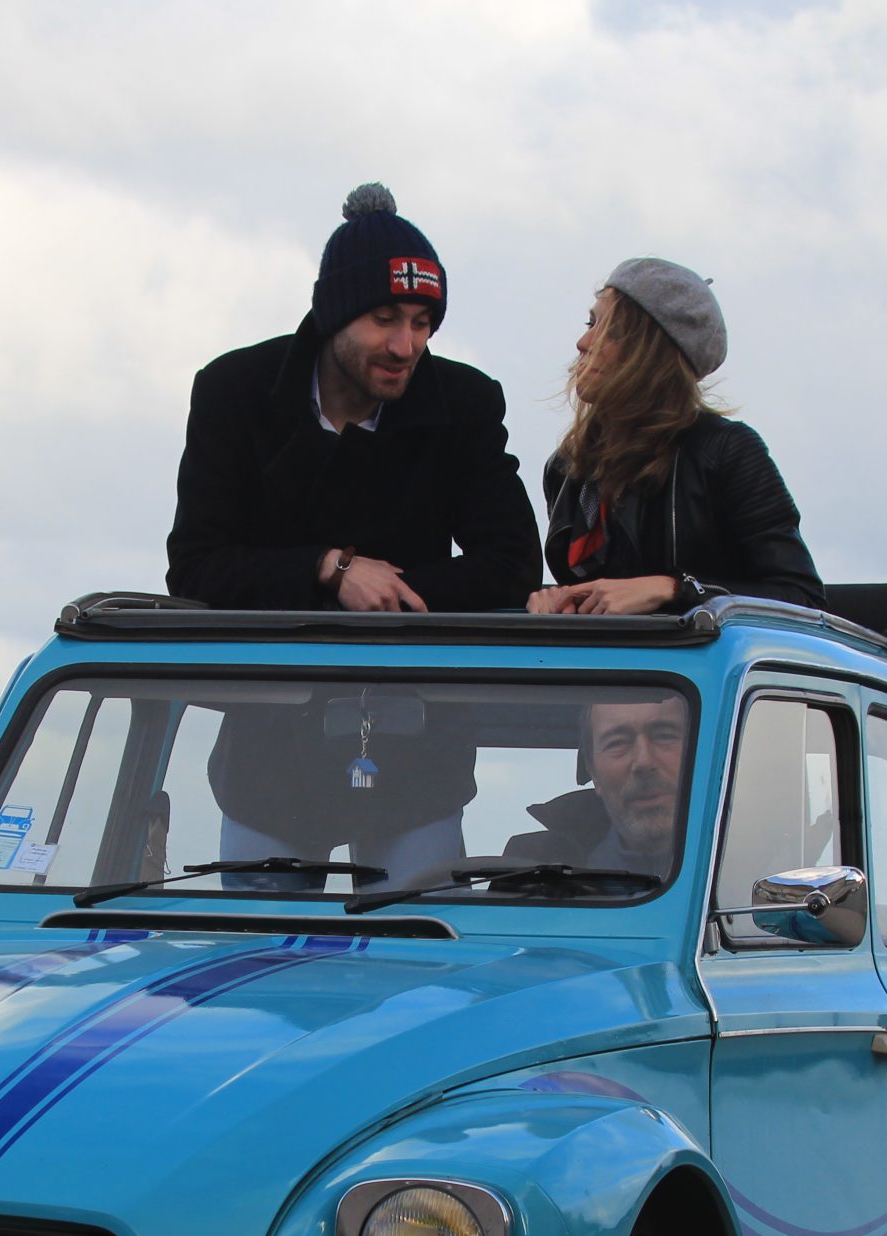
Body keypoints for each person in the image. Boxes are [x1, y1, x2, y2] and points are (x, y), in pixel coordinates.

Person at [166, 184, 540, 886]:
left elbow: (515, 563)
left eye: (424, 322)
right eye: (385, 318)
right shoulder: (233, 391)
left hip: (418, 752)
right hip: (267, 756)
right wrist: (330, 569)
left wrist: (388, 592)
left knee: (410, 971)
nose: (407, 346)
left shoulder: (463, 403)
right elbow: (195, 567)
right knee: (257, 973)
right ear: (334, 311)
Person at [528, 259, 823, 617]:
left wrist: (673, 589)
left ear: (651, 352)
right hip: (615, 671)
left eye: (608, 330)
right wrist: (556, 602)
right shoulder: (567, 468)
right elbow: (601, 594)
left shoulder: (726, 451)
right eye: (590, 323)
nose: (583, 342)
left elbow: (801, 596)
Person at [503, 693, 690, 875]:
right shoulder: (541, 892)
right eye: (618, 743)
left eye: (664, 736)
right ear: (593, 773)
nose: (643, 761)